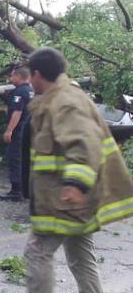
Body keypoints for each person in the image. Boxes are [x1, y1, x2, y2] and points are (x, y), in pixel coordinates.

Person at [23, 48, 133, 293]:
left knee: (37, 251)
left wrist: (76, 184)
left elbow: (85, 143)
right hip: (69, 199)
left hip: (64, 199)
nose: (30, 81)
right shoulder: (60, 97)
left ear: (38, 74)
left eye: (31, 76)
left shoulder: (65, 101)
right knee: (80, 254)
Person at [0, 67, 34, 201]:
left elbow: (17, 112)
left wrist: (9, 131)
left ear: (19, 76)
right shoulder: (31, 90)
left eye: (12, 76)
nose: (10, 79)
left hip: (18, 131)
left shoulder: (19, 92)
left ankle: (16, 191)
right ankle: (25, 189)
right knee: (25, 160)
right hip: (28, 131)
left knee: (14, 159)